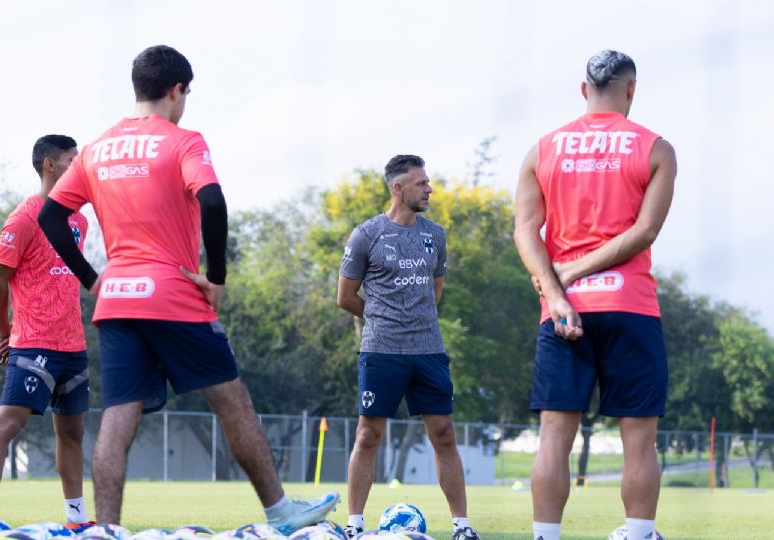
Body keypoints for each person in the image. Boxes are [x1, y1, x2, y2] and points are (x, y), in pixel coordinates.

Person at [36, 44, 339, 531]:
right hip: (173, 294)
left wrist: (92, 279)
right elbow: (214, 202)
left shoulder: (95, 149)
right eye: (187, 93)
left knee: (118, 417)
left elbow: (50, 214)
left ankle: (107, 527)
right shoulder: (183, 141)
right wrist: (215, 277)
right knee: (231, 400)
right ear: (176, 90)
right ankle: (281, 514)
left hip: (116, 301)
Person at [513, 50, 676, 540]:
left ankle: (546, 536)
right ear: (632, 89)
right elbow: (645, 232)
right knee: (639, 440)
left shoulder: (542, 149)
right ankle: (639, 532)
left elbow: (525, 232)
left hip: (564, 314)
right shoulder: (655, 148)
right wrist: (569, 276)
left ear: (584, 90)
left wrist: (558, 290)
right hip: (631, 307)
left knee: (554, 436)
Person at [337, 155, 481, 540]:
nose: (429, 189)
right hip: (381, 350)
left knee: (445, 434)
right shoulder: (366, 235)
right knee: (368, 434)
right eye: (421, 183)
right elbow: (345, 297)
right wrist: (384, 318)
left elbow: (435, 292)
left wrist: (414, 320)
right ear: (398, 188)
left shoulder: (436, 235)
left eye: (428, 182)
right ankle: (354, 525)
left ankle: (461, 527)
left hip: (429, 351)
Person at [0, 135, 93, 530]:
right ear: (49, 165)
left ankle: (77, 519)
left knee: (73, 432)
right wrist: (4, 332)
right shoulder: (24, 218)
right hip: (33, 343)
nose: (78, 167)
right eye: (71, 160)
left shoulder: (79, 220)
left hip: (73, 345)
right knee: (7, 424)